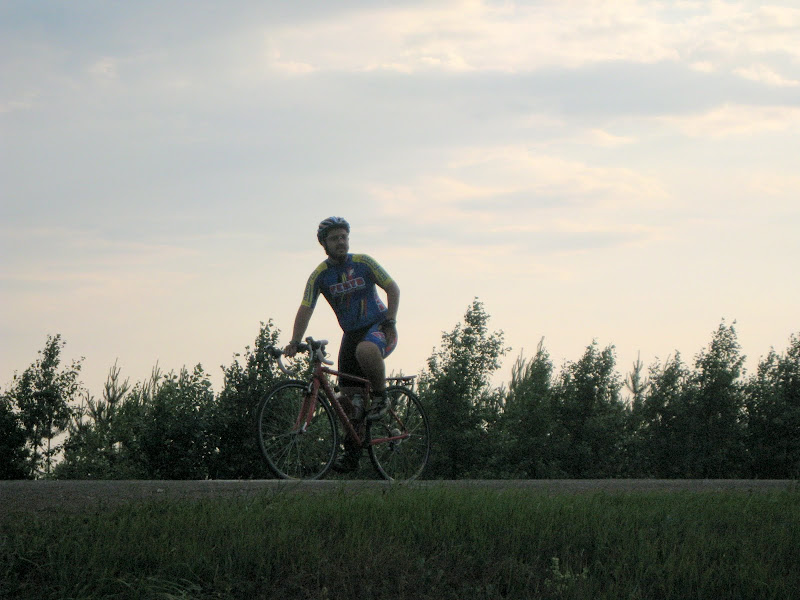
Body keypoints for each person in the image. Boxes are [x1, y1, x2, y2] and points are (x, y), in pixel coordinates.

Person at [283, 216, 399, 472]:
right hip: (351, 335)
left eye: (344, 237)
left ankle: (382, 398)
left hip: (379, 328)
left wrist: (390, 320)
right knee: (346, 403)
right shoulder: (320, 275)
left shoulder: (364, 262)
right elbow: (306, 307)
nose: (341, 242)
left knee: (365, 350)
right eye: (335, 238)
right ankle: (353, 454)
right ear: (324, 244)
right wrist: (295, 340)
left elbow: (393, 288)